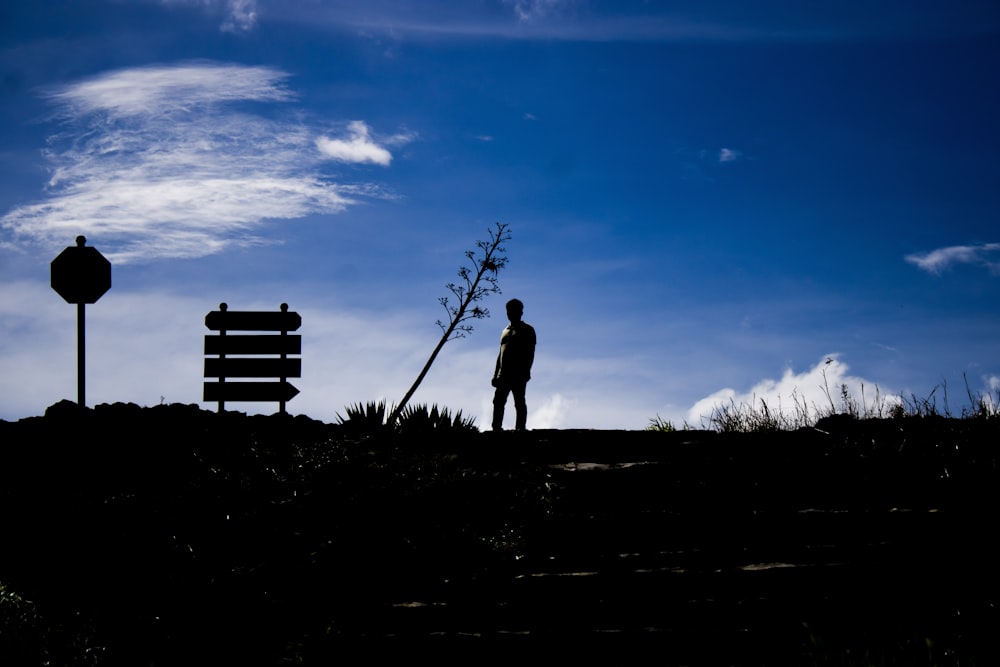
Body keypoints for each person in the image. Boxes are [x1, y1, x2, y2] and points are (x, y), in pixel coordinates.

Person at [491, 298, 536, 432]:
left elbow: (530, 353)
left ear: (521, 312)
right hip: (502, 375)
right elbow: (500, 354)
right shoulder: (504, 331)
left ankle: (520, 428)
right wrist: (495, 374)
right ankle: (496, 428)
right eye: (509, 311)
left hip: (518, 373)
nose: (510, 313)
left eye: (514, 311)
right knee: (498, 402)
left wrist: (526, 371)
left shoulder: (528, 330)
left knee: (519, 402)